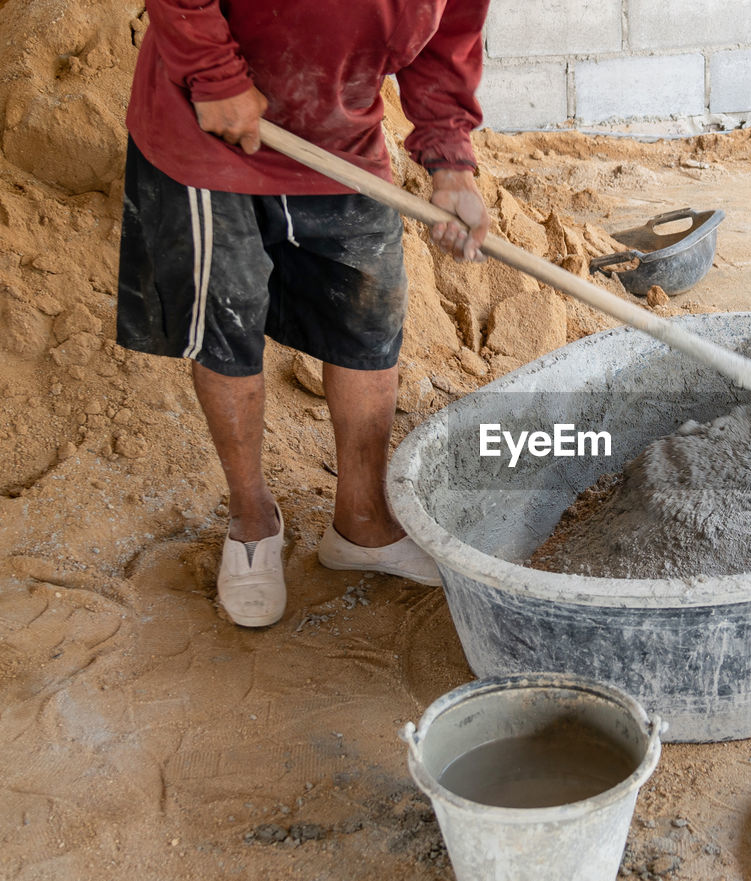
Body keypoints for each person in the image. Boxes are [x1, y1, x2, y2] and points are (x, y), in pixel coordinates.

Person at [118, 0, 492, 627]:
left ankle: (361, 525)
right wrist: (213, 72)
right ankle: (251, 519)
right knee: (226, 324)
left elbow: (449, 37)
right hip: (208, 127)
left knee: (367, 320)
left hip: (340, 136)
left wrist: (450, 159)